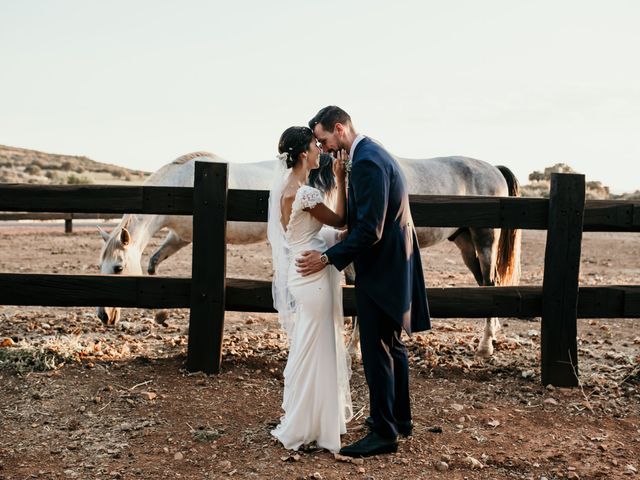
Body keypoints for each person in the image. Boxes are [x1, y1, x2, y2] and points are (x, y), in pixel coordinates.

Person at [297, 106, 431, 457]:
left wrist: (327, 258)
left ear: (339, 129)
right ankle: (399, 419)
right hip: (390, 263)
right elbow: (371, 216)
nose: (322, 147)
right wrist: (346, 231)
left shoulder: (368, 161)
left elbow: (371, 229)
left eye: (324, 139)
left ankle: (384, 434)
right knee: (392, 346)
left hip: (382, 267)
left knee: (376, 351)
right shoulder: (369, 153)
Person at [268, 126, 353, 453]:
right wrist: (341, 178)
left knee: (310, 345)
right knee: (319, 347)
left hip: (301, 273)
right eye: (316, 147)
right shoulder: (305, 193)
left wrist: (330, 243)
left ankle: (312, 421)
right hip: (313, 276)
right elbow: (342, 218)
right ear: (304, 153)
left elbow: (301, 237)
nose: (322, 151)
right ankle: (310, 425)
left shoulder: (287, 190)